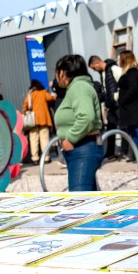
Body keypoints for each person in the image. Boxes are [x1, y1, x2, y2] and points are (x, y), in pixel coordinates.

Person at [53, 54, 104, 191]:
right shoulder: (76, 88)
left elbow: (86, 116)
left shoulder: (79, 87)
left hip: (82, 147)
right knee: (89, 200)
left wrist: (70, 139)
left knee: (80, 201)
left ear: (62, 73)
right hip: (81, 148)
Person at [88, 55, 123, 160]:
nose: (94, 70)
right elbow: (107, 90)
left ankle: (126, 152)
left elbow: (124, 82)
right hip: (110, 106)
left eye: (94, 68)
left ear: (97, 63)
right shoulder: (103, 73)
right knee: (110, 129)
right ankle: (110, 152)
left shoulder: (113, 69)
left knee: (124, 128)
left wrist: (117, 96)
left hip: (118, 104)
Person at [116, 50, 138, 162]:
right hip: (127, 107)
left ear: (124, 59)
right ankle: (136, 152)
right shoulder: (127, 72)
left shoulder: (133, 72)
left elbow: (133, 89)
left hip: (133, 105)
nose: (118, 60)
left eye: (119, 58)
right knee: (131, 129)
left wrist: (123, 99)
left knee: (137, 128)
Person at [22, 79, 57, 164]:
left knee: (33, 139)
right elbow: (51, 98)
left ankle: (35, 159)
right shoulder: (43, 92)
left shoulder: (29, 95)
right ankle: (46, 158)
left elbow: (25, 106)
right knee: (44, 138)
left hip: (32, 121)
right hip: (43, 119)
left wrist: (24, 113)